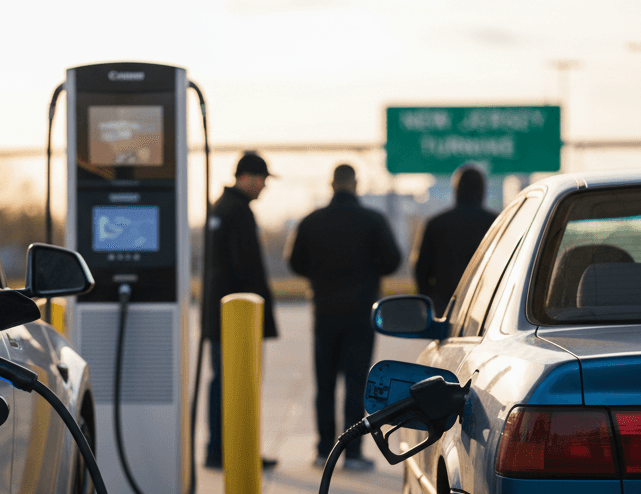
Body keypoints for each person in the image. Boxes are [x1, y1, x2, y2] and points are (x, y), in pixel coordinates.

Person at [286, 164, 401, 471]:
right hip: (361, 314)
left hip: (324, 313)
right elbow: (393, 259)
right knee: (355, 383)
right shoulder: (373, 220)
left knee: (324, 385)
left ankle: (324, 450)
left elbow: (294, 261)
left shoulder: (312, 221)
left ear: (331, 184)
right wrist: (369, 268)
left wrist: (319, 274)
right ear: (356, 184)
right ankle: (351, 453)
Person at [202, 151, 278, 470]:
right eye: (261, 180)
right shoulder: (238, 211)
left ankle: (220, 448)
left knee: (222, 380)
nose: (264, 187)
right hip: (238, 318)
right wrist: (259, 314)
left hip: (220, 314)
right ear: (246, 177)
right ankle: (237, 451)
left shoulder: (221, 208)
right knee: (239, 382)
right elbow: (247, 267)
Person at [412, 165, 497, 316]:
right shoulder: (497, 223)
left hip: (445, 307)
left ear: (456, 190)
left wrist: (429, 300)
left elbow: (421, 269)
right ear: (483, 191)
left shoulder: (435, 224)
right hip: (488, 307)